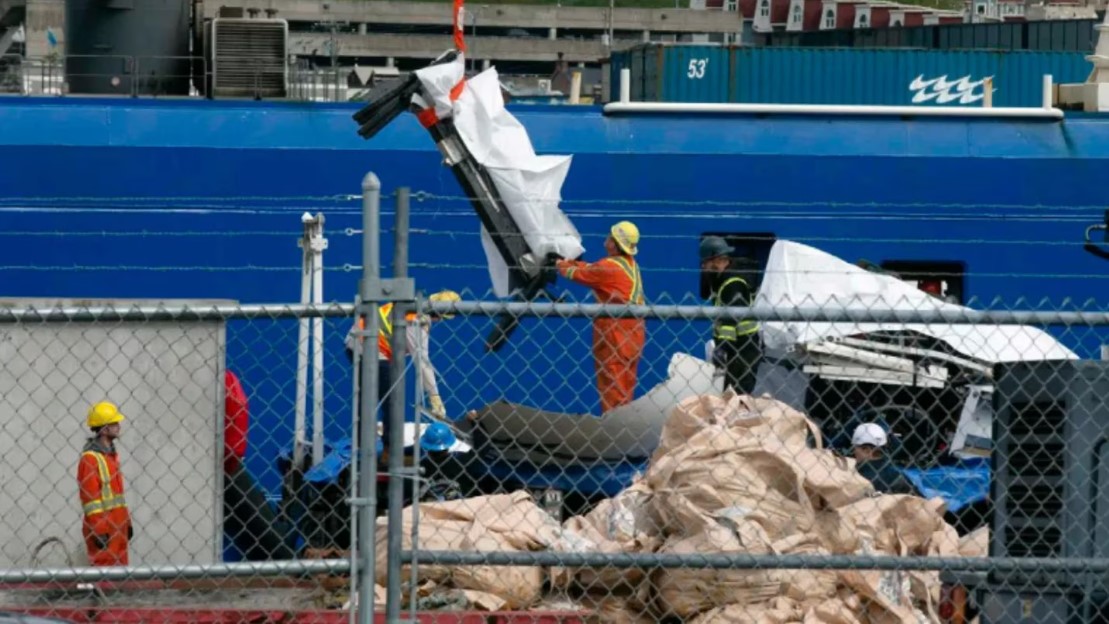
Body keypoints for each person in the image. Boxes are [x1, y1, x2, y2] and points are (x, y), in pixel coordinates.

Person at [345, 290, 461, 449]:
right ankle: (388, 451)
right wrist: (434, 397)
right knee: (392, 402)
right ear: (440, 316)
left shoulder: (412, 304)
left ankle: (363, 444)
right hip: (372, 349)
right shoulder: (417, 320)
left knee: (368, 399)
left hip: (355, 341)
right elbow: (422, 361)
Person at [552, 221, 646, 414]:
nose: (607, 239)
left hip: (615, 334)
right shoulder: (628, 265)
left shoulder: (609, 267)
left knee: (613, 389)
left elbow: (580, 273)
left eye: (610, 236)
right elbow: (592, 268)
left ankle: (615, 431)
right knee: (625, 386)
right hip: (633, 333)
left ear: (615, 243)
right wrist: (572, 262)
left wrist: (560, 264)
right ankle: (624, 429)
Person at [700, 236, 762, 396]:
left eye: (705, 263)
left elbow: (730, 320)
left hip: (743, 350)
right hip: (737, 349)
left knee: (736, 396)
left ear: (717, 260)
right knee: (731, 396)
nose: (704, 267)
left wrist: (722, 348)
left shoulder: (732, 284)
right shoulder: (723, 280)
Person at [77, 401, 132, 566]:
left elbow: (118, 496)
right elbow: (91, 501)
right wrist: (99, 530)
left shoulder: (111, 456)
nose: (119, 426)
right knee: (104, 575)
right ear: (104, 428)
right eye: (114, 423)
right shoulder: (90, 459)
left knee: (120, 575)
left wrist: (127, 522)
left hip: (118, 525)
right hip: (105, 528)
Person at [417, 422, 479, 503]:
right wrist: (476, 422)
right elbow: (481, 449)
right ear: (449, 443)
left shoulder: (422, 467)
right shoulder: (461, 460)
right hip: (459, 506)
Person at [851, 423, 916, 495]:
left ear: (867, 450)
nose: (854, 452)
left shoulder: (856, 476)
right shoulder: (898, 475)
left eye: (856, 448)